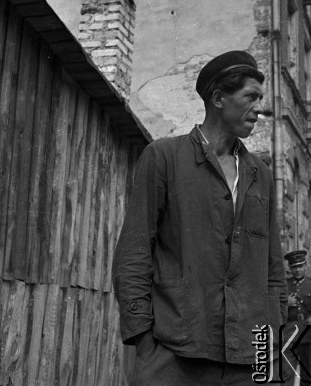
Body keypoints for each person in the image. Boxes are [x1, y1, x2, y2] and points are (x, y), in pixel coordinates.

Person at [112, 50, 288, 385]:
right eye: (251, 97)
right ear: (219, 98)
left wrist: (272, 339)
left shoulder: (260, 175)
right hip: (175, 357)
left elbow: (273, 267)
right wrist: (144, 341)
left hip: (248, 360)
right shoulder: (164, 158)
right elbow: (133, 255)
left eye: (260, 98)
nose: (259, 108)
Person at [284, 250, 311, 386]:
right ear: (290, 268)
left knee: (309, 373)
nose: (297, 270)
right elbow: (273, 304)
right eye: (294, 267)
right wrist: (286, 303)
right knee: (286, 372)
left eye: (300, 266)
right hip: (289, 334)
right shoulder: (284, 285)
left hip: (309, 333)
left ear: (305, 266)